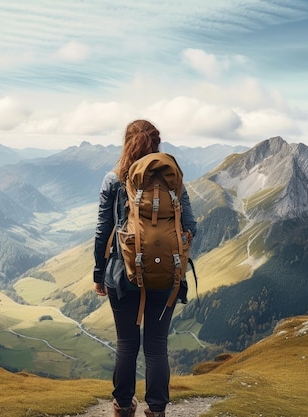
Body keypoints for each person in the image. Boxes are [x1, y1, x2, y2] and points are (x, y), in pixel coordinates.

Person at [93, 119, 197, 417]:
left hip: (121, 274)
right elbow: (189, 226)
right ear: (157, 143)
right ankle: (157, 410)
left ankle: (123, 407)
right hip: (166, 274)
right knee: (156, 345)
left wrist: (99, 274)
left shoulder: (113, 179)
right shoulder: (173, 182)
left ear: (127, 142)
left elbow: (103, 231)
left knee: (126, 343)